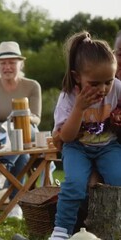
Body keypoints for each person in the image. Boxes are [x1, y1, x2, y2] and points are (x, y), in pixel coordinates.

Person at [49, 31, 121, 239]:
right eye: (95, 83)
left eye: (108, 81)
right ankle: (61, 231)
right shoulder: (69, 97)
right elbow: (67, 137)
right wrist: (79, 109)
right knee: (74, 184)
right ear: (76, 77)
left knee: (118, 179)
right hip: (77, 147)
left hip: (108, 145)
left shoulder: (115, 87)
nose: (103, 89)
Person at [0, 41, 42, 218]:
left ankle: (1, 171)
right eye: (3, 63)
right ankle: (15, 203)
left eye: (12, 62)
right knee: (23, 153)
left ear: (20, 64)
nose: (7, 67)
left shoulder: (32, 86)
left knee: (23, 130)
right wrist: (10, 127)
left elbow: (36, 118)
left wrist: (21, 120)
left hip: (28, 133)